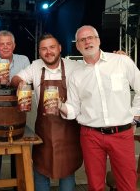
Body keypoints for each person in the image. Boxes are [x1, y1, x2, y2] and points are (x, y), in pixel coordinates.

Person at [59, 25, 140, 191]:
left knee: (127, 184)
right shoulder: (76, 75)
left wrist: (135, 116)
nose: (87, 42)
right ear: (78, 46)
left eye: (91, 37)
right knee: (95, 186)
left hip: (122, 134)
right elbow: (74, 108)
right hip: (91, 136)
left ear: (98, 40)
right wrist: (60, 106)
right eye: (82, 40)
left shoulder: (121, 61)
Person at [10, 33, 83, 191]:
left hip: (69, 131)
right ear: (39, 51)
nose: (48, 52)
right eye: (43, 49)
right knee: (40, 171)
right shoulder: (35, 66)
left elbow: (96, 68)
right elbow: (14, 78)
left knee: (67, 172)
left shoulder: (75, 66)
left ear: (59, 48)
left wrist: (117, 59)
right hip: (43, 132)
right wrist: (21, 83)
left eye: (52, 47)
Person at [0, 30, 30, 186]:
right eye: (1, 44)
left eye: (8, 43)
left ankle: (17, 186)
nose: (5, 47)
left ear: (14, 45)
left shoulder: (23, 60)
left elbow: (28, 82)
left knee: (17, 153)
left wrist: (23, 83)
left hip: (17, 112)